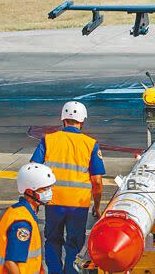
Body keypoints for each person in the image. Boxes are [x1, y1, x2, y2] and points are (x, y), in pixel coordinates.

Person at [30, 101, 105, 274]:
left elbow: (33, 167)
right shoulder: (90, 144)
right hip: (78, 204)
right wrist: (97, 205)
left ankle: (55, 271)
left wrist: (36, 199)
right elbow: (97, 181)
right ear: (82, 121)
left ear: (63, 119)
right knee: (75, 243)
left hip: (53, 201)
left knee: (53, 240)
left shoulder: (49, 139)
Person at [0, 163, 55, 274]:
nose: (49, 193)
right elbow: (10, 262)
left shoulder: (22, 212)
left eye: (49, 188)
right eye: (44, 189)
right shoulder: (22, 223)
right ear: (30, 192)